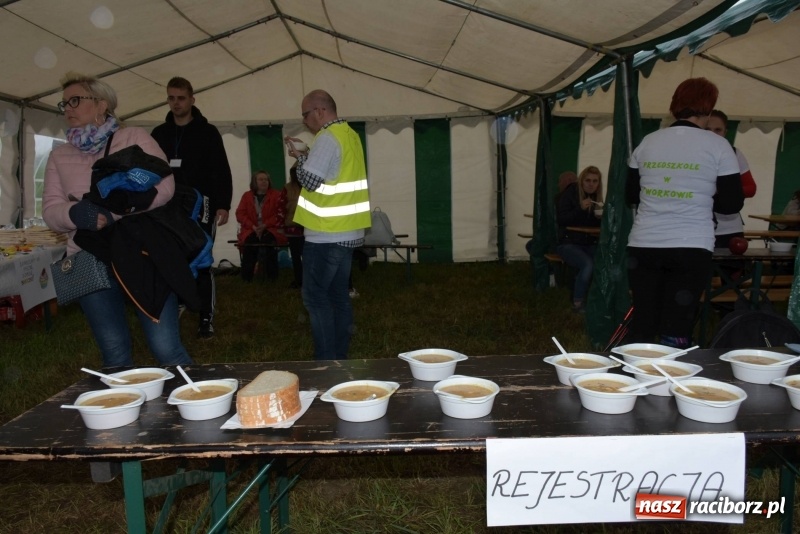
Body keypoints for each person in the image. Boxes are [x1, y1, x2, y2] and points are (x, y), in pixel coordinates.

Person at [42, 72, 192, 368]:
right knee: (114, 353)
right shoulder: (59, 155)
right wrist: (73, 214)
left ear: (101, 104)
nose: (68, 108)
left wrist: (112, 213)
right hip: (87, 257)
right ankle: (124, 413)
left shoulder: (133, 137)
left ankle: (202, 408)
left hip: (142, 252)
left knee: (166, 349)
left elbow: (164, 186)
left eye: (75, 100)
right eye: (64, 104)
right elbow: (50, 210)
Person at [626, 77, 744, 349]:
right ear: (708, 107)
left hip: (644, 245)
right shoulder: (718, 146)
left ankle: (630, 380)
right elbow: (731, 204)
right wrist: (699, 194)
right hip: (690, 246)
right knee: (677, 324)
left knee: (644, 321)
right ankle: (673, 384)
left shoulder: (648, 142)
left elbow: (631, 196)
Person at [285, 89, 371, 360]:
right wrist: (307, 153)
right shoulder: (349, 135)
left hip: (326, 234)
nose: (304, 120)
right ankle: (339, 358)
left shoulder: (326, 138)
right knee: (338, 297)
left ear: (320, 111)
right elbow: (333, 173)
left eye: (305, 114)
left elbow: (310, 181)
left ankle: (325, 361)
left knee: (315, 298)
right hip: (348, 231)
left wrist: (300, 158)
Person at [151, 76, 232, 339]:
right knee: (171, 259)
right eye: (171, 98)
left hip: (202, 205)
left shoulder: (207, 133)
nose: (176, 103)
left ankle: (206, 316)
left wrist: (223, 204)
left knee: (202, 259)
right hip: (168, 207)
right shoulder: (159, 134)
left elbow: (221, 169)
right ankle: (178, 303)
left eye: (181, 98)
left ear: (192, 99)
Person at [706, 110, 757, 248]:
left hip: (730, 227)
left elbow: (751, 188)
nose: (712, 134)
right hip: (700, 228)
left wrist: (724, 190)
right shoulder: (692, 155)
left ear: (725, 132)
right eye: (707, 129)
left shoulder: (734, 153)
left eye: (718, 130)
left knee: (730, 268)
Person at [556, 166, 604, 313]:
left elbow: (592, 226)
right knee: (587, 264)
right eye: (588, 180)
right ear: (581, 181)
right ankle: (578, 303)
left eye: (595, 181)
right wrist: (580, 208)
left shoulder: (597, 198)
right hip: (568, 243)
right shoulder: (571, 193)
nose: (591, 184)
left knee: (604, 262)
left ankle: (598, 301)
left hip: (588, 243)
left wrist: (600, 218)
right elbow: (562, 219)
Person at [235, 170, 287, 282]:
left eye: (266, 179)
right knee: (250, 244)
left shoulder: (276, 195)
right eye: (261, 179)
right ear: (255, 182)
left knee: (269, 242)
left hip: (271, 229)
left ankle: (272, 277)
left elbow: (280, 214)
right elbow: (240, 214)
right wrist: (253, 227)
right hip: (250, 229)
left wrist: (265, 225)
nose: (264, 182)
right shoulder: (247, 196)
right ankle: (246, 278)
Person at [281, 165, 305, 288]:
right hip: (293, 226)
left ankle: (312, 280)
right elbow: (281, 206)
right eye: (294, 172)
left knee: (310, 255)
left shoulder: (311, 186)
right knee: (296, 256)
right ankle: (299, 280)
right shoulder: (287, 188)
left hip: (310, 227)